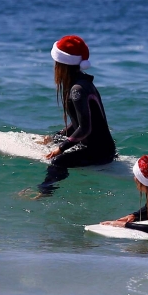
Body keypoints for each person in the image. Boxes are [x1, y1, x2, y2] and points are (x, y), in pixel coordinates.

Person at [36, 35, 116, 196]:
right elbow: (79, 122)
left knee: (58, 161)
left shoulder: (77, 90)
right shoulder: (81, 83)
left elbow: (85, 128)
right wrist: (56, 137)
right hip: (98, 146)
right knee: (54, 141)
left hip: (100, 151)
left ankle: (44, 192)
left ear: (62, 65)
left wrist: (60, 148)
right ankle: (53, 140)